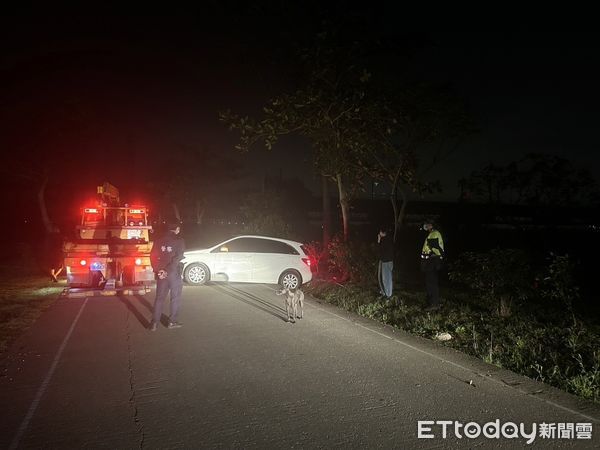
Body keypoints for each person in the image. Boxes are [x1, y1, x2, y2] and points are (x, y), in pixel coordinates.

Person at [149, 221, 185, 331]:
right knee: (175, 298)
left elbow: (152, 256)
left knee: (159, 298)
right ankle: (172, 322)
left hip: (161, 274)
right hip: (173, 273)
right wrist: (167, 270)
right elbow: (177, 258)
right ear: (177, 229)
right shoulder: (179, 241)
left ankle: (154, 323)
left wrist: (158, 271)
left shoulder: (158, 240)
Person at [421, 219, 444, 310]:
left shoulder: (434, 234)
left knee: (431, 283)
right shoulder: (432, 233)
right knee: (430, 282)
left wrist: (430, 255)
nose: (426, 226)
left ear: (431, 225)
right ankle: (433, 303)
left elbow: (435, 248)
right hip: (431, 261)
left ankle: (433, 304)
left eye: (427, 225)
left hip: (432, 261)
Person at [377, 226, 394, 298]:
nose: (379, 233)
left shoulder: (385, 240)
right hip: (388, 261)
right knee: (386, 278)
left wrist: (379, 240)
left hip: (386, 261)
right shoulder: (388, 239)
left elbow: (380, 250)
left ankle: (388, 295)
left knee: (386, 278)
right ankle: (386, 292)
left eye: (380, 232)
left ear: (383, 233)